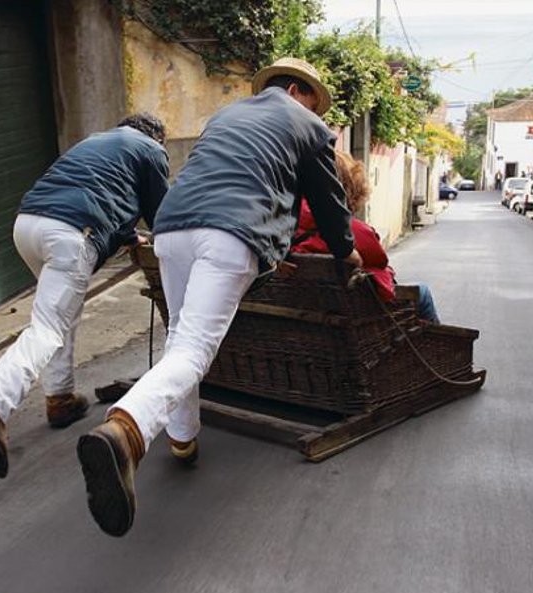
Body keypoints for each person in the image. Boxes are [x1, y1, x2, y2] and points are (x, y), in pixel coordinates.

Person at [76, 58, 362, 537]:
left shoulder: (226, 116)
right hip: (229, 233)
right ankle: (124, 429)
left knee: (181, 339)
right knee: (195, 349)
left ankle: (183, 440)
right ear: (297, 90)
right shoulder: (308, 124)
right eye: (317, 100)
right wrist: (346, 251)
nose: (320, 111)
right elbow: (328, 200)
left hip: (170, 228)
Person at [0, 114, 170, 479]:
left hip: (27, 225)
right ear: (157, 136)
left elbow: (96, 192)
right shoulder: (151, 149)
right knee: (48, 326)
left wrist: (127, 234)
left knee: (61, 313)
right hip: (70, 234)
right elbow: (163, 216)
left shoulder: (96, 140)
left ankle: (60, 399)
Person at [293, 151, 440, 323]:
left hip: (298, 310)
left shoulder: (279, 224)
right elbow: (381, 263)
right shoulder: (353, 231)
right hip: (353, 314)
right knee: (422, 293)